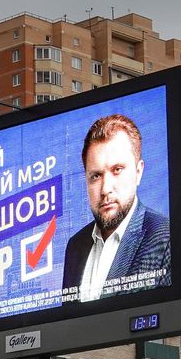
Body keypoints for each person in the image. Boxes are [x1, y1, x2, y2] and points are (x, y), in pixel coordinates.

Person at [61, 114, 170, 302]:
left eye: (117, 170)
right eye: (96, 176)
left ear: (138, 171)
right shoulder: (75, 245)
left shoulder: (165, 236)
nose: (105, 189)